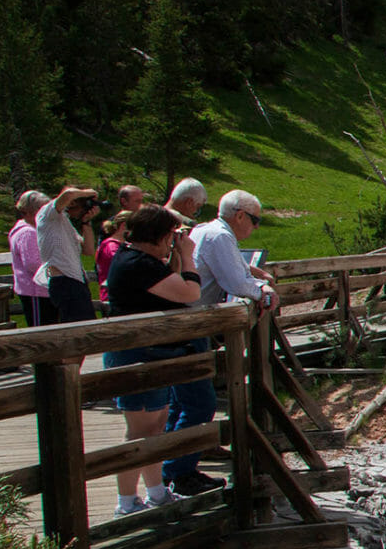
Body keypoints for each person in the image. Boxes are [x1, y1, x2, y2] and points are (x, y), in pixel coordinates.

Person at [168, 189, 279, 495]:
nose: (255, 228)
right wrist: (263, 293)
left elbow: (237, 273)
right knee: (199, 403)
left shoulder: (207, 230)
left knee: (181, 403)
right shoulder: (221, 236)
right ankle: (178, 472)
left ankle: (174, 468)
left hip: (187, 325)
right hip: (194, 326)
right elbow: (235, 282)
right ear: (240, 215)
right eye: (254, 220)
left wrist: (254, 281)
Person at [103, 207, 203, 513]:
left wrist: (175, 253)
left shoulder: (141, 261)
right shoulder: (136, 263)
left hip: (150, 352)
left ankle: (156, 492)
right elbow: (190, 292)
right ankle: (126, 501)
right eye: (171, 235)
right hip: (137, 356)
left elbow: (171, 284)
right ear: (158, 235)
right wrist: (186, 256)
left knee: (156, 426)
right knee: (139, 431)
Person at [35, 186, 99, 323]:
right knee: (79, 327)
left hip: (76, 281)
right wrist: (88, 193)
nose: (83, 210)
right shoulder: (47, 214)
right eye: (84, 206)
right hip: (63, 281)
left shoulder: (65, 222)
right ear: (73, 203)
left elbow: (88, 250)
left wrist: (86, 223)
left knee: (86, 325)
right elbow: (68, 194)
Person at [9, 191, 50, 326]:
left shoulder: (31, 229)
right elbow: (33, 264)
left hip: (40, 290)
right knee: (41, 329)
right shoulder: (28, 233)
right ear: (31, 211)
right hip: (36, 291)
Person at [93, 214, 130, 305]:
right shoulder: (111, 246)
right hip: (111, 296)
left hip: (121, 295)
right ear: (123, 226)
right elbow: (124, 266)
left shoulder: (122, 244)